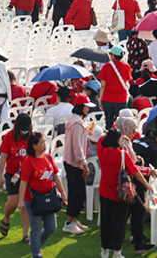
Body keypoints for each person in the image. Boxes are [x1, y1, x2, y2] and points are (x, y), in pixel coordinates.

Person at [98, 129, 150, 258]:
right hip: (120, 194)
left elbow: (100, 139)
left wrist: (108, 133)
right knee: (119, 223)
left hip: (105, 191)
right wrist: (147, 184)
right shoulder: (122, 154)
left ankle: (104, 250)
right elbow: (135, 173)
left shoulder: (102, 151)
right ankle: (117, 251)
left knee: (106, 222)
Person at [19, 132, 66, 258]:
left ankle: (36, 245)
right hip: (33, 200)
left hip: (49, 198)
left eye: (45, 142)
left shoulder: (49, 158)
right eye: (42, 143)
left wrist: (63, 193)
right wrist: (21, 200)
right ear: (34, 146)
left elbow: (56, 176)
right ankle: (36, 254)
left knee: (51, 227)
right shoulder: (28, 161)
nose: (45, 145)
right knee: (36, 228)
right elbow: (23, 183)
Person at [0, 113, 33, 240]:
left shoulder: (31, 136)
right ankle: (7, 217)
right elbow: (3, 156)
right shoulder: (8, 137)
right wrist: (1, 175)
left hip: (27, 175)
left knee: (25, 204)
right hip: (12, 174)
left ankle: (25, 234)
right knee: (12, 203)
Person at [62, 96, 92, 234]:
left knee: (75, 192)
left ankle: (72, 220)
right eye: (86, 106)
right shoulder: (77, 123)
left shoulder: (74, 121)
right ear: (81, 107)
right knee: (77, 193)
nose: (88, 108)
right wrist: (84, 165)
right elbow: (78, 148)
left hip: (70, 161)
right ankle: (69, 222)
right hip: (75, 163)